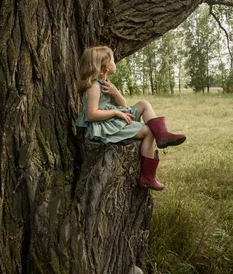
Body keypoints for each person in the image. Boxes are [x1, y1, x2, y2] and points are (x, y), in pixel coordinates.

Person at [75, 46, 186, 191]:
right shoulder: (94, 87)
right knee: (148, 131)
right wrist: (116, 113)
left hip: (112, 119)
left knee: (143, 104)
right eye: (113, 60)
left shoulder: (106, 83)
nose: (115, 62)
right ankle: (147, 177)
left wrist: (116, 94)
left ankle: (162, 135)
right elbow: (92, 114)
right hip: (103, 126)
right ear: (105, 66)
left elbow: (124, 105)